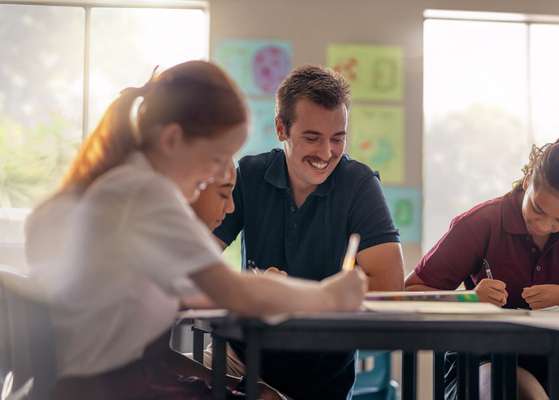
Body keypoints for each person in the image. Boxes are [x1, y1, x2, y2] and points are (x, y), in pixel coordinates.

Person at [24, 60, 367, 400]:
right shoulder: (145, 193)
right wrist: (329, 297)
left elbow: (205, 292)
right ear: (173, 139)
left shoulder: (120, 187)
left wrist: (272, 289)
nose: (217, 174)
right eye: (217, 157)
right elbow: (234, 292)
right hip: (113, 388)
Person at [213, 65, 405, 399]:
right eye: (312, 138)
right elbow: (196, 258)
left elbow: (390, 287)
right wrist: (261, 288)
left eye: (338, 139)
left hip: (323, 371)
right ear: (280, 129)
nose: (326, 153)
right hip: (245, 360)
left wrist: (283, 293)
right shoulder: (248, 175)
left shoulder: (359, 185)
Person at [405, 134, 559, 400]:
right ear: (529, 179)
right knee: (521, 394)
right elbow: (412, 290)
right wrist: (469, 299)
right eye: (537, 209)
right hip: (488, 355)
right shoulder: (481, 223)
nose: (544, 226)